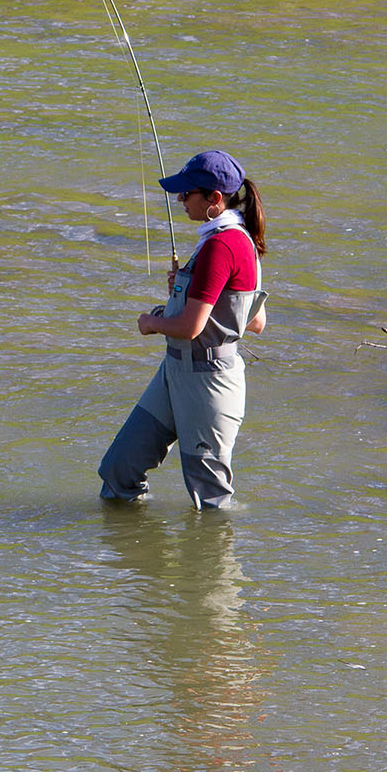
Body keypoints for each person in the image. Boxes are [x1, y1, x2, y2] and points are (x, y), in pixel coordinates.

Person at [99, 150, 267, 510]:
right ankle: (133, 557)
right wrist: (187, 289)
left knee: (211, 502)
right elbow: (254, 321)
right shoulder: (233, 239)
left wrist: (151, 323)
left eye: (187, 193)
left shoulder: (223, 245)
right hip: (176, 373)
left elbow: (191, 327)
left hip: (208, 382)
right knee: (118, 471)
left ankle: (212, 565)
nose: (180, 199)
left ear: (214, 199)